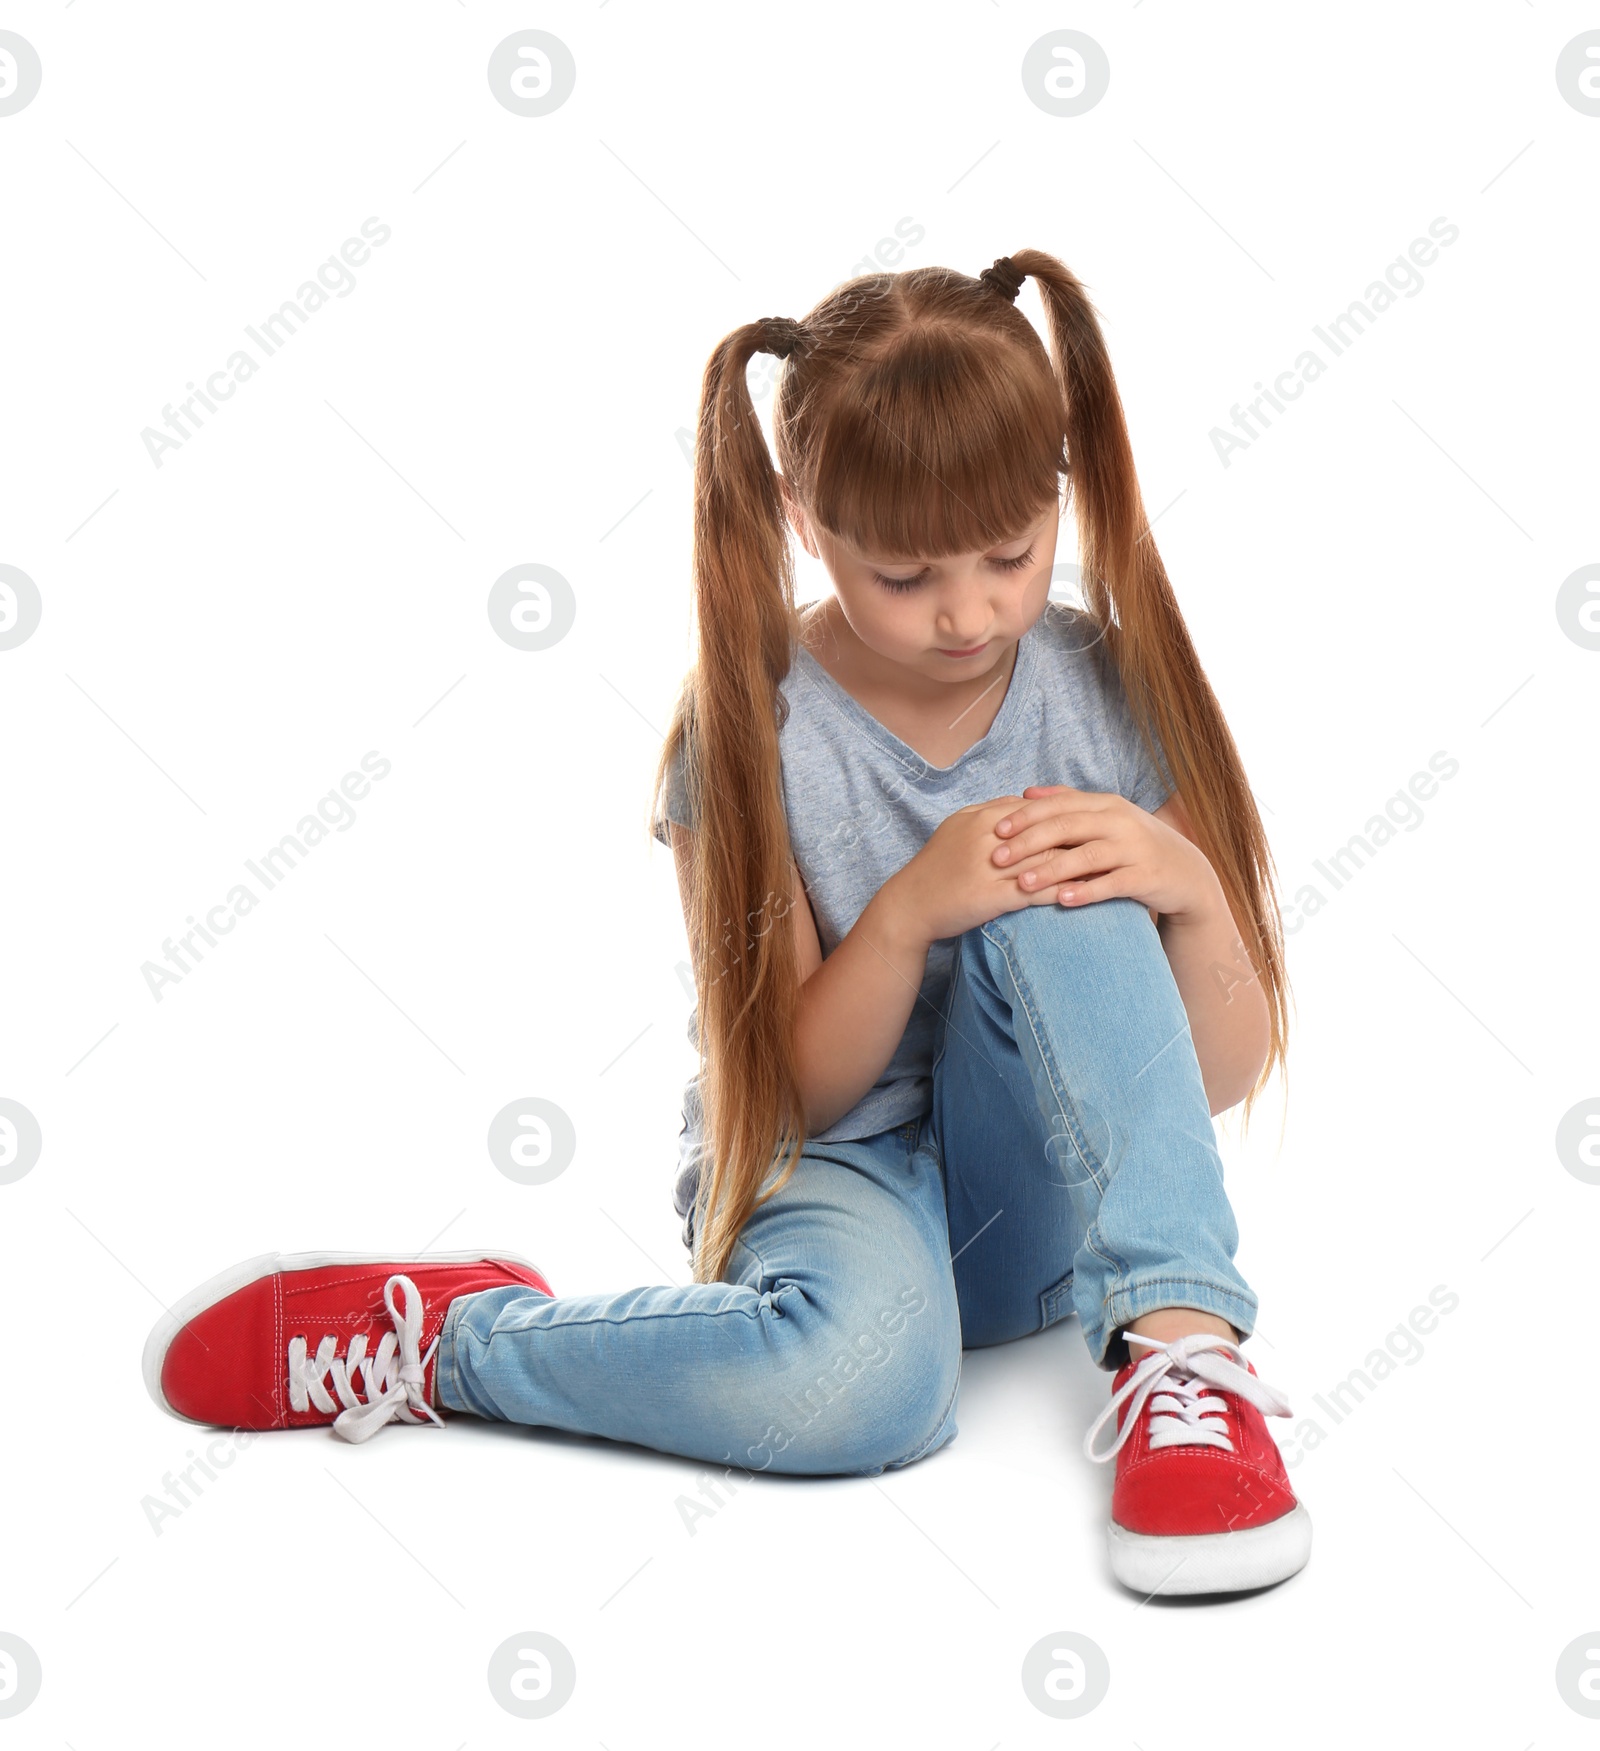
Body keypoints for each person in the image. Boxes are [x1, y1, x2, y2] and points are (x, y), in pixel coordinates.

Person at [143, 250, 1310, 1598]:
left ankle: (1184, 1360)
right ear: (805, 519)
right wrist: (908, 912)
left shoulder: (1097, 685)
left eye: (1010, 552)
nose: (972, 611)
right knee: (863, 1398)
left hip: (1036, 1215)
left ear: (1057, 491)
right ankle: (451, 1342)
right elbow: (793, 1090)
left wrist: (1183, 880)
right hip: (836, 1164)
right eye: (905, 573)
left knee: (1066, 887)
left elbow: (1215, 1078)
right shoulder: (753, 736)